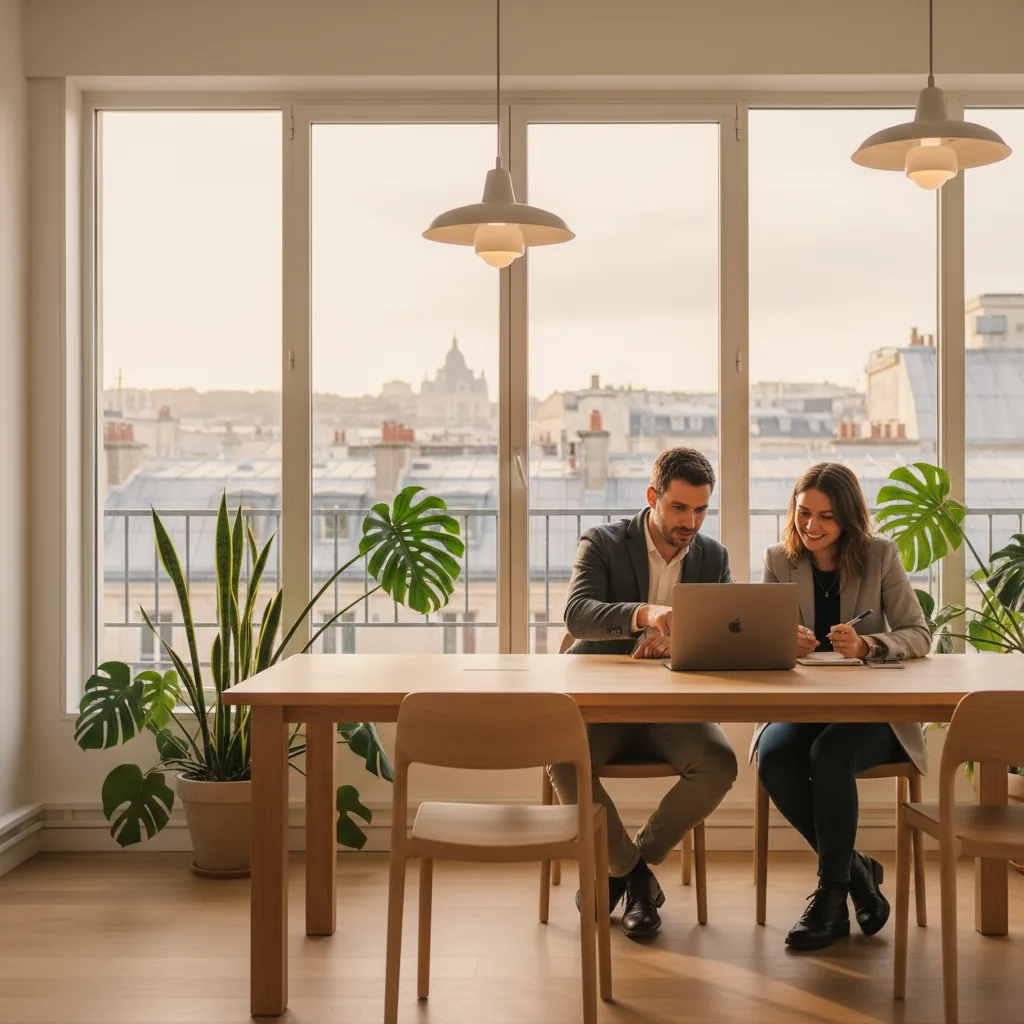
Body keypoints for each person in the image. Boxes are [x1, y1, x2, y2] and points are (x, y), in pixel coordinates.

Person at [550, 447, 739, 940]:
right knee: (564, 761)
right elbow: (577, 614)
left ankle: (626, 871)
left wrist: (681, 638)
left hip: (674, 708)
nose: (690, 522)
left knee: (719, 765)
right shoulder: (603, 542)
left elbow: (725, 632)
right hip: (602, 704)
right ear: (653, 497)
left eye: (701, 510)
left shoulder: (714, 557)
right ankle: (636, 878)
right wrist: (646, 614)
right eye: (679, 508)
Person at [751, 462, 931, 952]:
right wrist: (783, 641)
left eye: (826, 516)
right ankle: (856, 869)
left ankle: (830, 898)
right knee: (773, 755)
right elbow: (760, 637)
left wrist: (869, 645)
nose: (811, 526)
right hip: (805, 706)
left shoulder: (880, 555)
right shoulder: (778, 560)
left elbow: (919, 633)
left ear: (849, 517)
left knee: (829, 755)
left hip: (872, 711)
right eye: (803, 512)